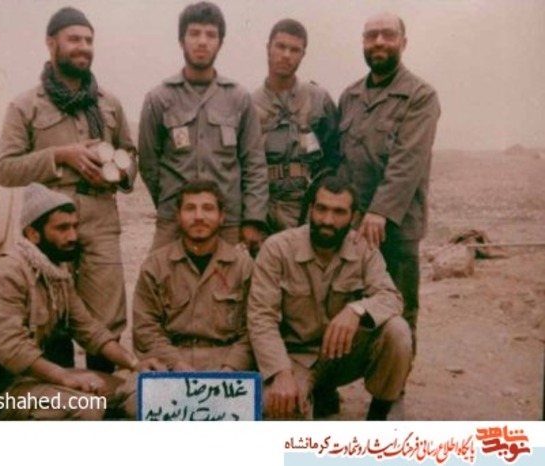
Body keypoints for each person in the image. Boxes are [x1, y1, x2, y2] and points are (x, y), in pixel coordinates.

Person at [0, 7, 136, 373]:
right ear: (51, 43)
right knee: (51, 317)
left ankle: (102, 398)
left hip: (101, 220)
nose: (83, 47)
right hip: (48, 226)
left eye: (88, 40)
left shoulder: (109, 103)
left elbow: (130, 155)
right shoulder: (26, 106)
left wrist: (118, 172)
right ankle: (60, 397)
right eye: (74, 39)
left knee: (106, 320)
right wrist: (61, 156)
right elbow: (5, 169)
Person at [0, 184, 163, 420]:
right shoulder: (5, 274)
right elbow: (12, 350)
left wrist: (135, 364)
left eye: (75, 226)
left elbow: (90, 330)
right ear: (32, 234)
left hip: (38, 382)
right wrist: (67, 378)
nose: (73, 236)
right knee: (85, 407)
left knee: (136, 392)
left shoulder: (56, 273)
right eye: (62, 228)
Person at [247, 176, 412, 420]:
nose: (327, 220)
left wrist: (357, 310)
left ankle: (378, 417)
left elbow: (391, 297)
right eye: (321, 209)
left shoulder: (363, 248)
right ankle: (315, 397)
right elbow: (261, 318)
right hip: (295, 357)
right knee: (277, 407)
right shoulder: (277, 248)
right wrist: (280, 373)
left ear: (353, 217)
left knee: (397, 331)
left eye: (338, 212)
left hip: (342, 355)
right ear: (310, 210)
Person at [337, 13, 441, 355]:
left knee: (398, 311)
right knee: (351, 307)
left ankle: (395, 381)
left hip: (397, 227)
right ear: (363, 43)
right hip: (352, 227)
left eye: (388, 35)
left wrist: (380, 211)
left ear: (403, 43)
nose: (379, 42)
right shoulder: (350, 97)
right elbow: (341, 162)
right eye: (371, 36)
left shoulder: (420, 96)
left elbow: (408, 161)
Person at [138, 1, 269, 254]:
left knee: (231, 278)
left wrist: (252, 219)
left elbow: (253, 162)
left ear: (220, 42)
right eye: (194, 33)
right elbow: (148, 163)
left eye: (211, 35)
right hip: (174, 220)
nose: (202, 42)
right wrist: (172, 202)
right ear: (181, 40)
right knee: (158, 275)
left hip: (226, 221)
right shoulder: (159, 98)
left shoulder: (238, 98)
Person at [133, 179, 254, 372]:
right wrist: (175, 364)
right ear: (178, 216)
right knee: (130, 390)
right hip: (169, 365)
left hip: (227, 365)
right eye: (190, 208)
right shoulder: (155, 266)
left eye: (208, 208)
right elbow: (145, 328)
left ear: (221, 216)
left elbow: (254, 328)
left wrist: (231, 368)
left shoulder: (244, 267)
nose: (199, 216)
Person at [252, 19, 339, 233]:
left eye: (294, 50)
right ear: (268, 48)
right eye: (280, 46)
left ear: (303, 54)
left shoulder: (318, 99)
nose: (286, 55)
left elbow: (335, 155)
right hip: (263, 206)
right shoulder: (249, 105)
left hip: (307, 206)